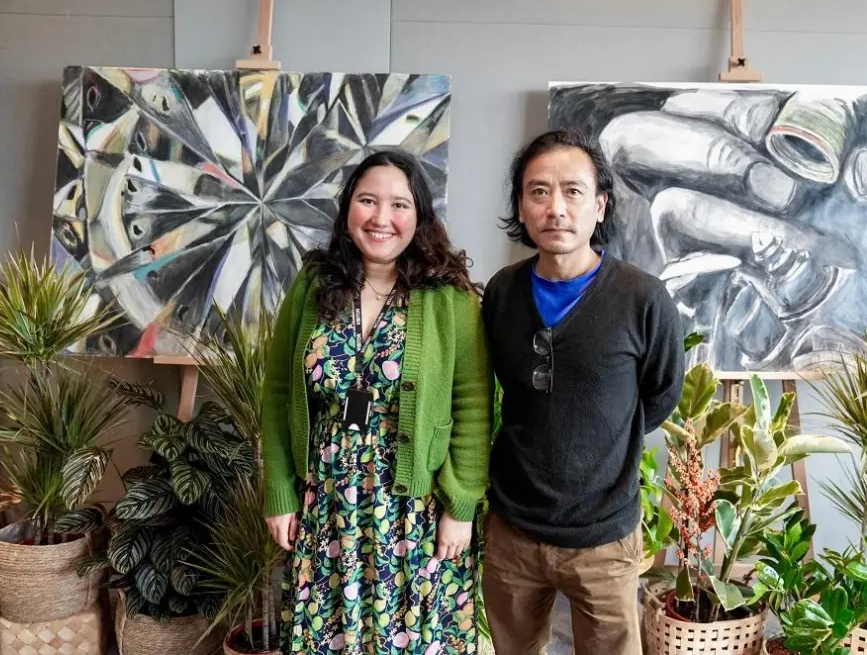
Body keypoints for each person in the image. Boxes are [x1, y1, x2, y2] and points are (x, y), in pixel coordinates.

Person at [261, 149, 493, 654]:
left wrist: (461, 504)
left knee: (413, 637)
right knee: (332, 633)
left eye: (399, 204)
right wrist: (280, 491)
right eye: (368, 200)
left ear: (420, 215)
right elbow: (279, 391)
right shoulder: (314, 283)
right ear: (348, 210)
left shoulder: (448, 295)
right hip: (328, 502)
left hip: (416, 507)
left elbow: (474, 403)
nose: (381, 218)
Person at [480, 130, 685, 655]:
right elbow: (491, 387)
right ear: (521, 208)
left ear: (599, 206)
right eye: (539, 191)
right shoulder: (502, 292)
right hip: (513, 531)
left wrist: (599, 443)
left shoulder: (643, 298)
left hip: (604, 537)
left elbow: (660, 395)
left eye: (573, 191)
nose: (556, 208)